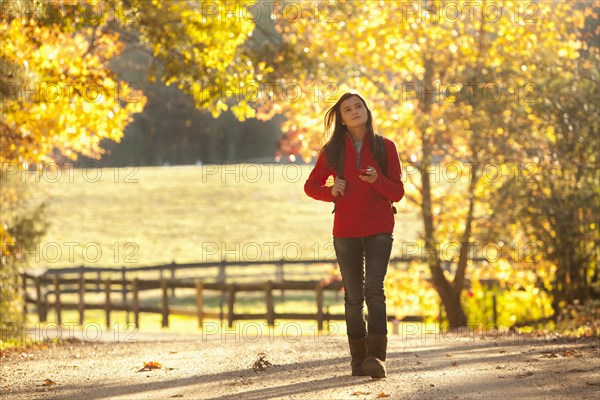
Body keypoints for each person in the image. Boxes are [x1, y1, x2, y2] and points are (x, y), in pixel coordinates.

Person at [304, 92, 404, 378]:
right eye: (348, 109)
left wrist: (377, 181)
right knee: (354, 297)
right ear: (343, 120)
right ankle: (358, 360)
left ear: (367, 111)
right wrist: (331, 191)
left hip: (379, 228)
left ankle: (376, 359)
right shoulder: (332, 150)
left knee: (375, 291)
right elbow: (311, 186)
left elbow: (396, 192)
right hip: (346, 230)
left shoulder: (386, 147)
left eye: (358, 106)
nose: (354, 111)